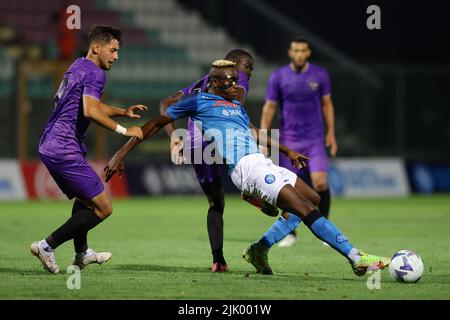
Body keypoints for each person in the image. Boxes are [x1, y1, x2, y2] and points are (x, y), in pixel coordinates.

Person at [104, 60, 390, 278]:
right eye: (228, 83)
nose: (234, 87)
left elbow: (253, 133)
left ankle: (259, 250)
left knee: (312, 199)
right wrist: (121, 152)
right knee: (304, 208)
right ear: (214, 83)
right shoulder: (199, 101)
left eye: (235, 82)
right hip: (245, 168)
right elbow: (155, 122)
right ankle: (355, 257)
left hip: (260, 162)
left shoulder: (236, 107)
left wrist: (287, 150)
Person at [31, 25, 147, 274]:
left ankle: (82, 253)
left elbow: (90, 104)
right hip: (63, 146)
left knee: (86, 201)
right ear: (97, 47)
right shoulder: (95, 73)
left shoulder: (78, 66)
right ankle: (46, 246)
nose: (116, 56)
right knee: (104, 208)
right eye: (113, 50)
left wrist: (122, 112)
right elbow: (90, 111)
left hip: (52, 143)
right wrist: (124, 130)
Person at [158, 49, 255, 272]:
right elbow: (235, 108)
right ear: (232, 64)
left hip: (194, 145)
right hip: (220, 139)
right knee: (254, 152)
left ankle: (218, 260)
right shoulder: (238, 84)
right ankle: (251, 189)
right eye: (247, 66)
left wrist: (174, 136)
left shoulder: (200, 83)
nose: (249, 73)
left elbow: (164, 104)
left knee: (216, 204)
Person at [258, 37, 338, 248]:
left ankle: (325, 227)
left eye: (303, 50)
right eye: (296, 50)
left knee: (320, 184)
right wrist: (264, 136)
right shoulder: (279, 76)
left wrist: (331, 133)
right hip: (289, 141)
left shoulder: (320, 75)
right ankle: (290, 233)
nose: (299, 54)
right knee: (289, 189)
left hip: (314, 139)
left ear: (308, 53)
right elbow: (269, 107)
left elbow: (327, 105)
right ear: (290, 53)